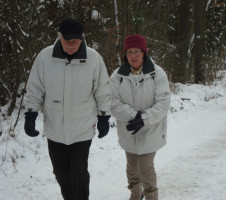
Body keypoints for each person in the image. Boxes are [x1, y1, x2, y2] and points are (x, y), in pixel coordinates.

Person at [23, 18, 111, 200]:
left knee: (78, 171)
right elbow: (35, 88)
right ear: (59, 36)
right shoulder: (45, 58)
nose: (71, 45)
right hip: (55, 129)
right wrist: (30, 114)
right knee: (61, 173)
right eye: (67, 41)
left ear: (82, 39)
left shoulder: (93, 59)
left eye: (75, 41)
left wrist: (103, 117)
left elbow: (103, 90)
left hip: (82, 127)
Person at [110, 34, 171, 200]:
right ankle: (136, 193)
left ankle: (152, 196)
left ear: (144, 53)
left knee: (145, 167)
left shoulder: (157, 74)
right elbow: (112, 102)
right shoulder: (117, 76)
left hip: (151, 128)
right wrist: (134, 116)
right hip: (128, 129)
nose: (133, 55)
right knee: (131, 168)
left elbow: (163, 103)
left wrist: (144, 119)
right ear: (125, 54)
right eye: (129, 52)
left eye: (137, 51)